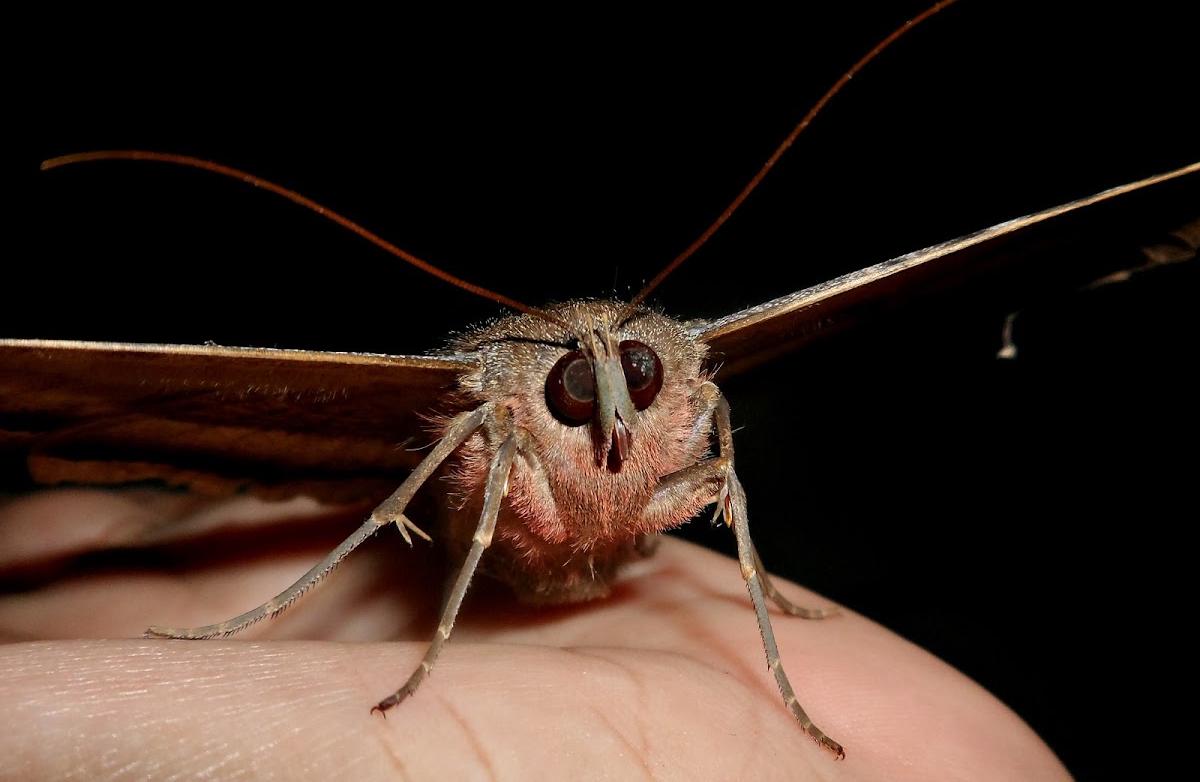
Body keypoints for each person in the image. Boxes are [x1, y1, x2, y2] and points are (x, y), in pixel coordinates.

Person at [0, 488, 1067, 779]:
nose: (614, 408)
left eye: (639, 381)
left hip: (614, 567)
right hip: (484, 547)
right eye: (584, 386)